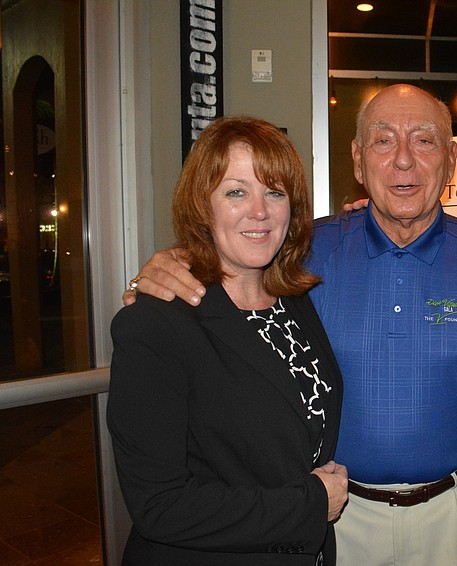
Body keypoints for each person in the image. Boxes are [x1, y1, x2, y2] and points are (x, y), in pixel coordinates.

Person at [122, 85, 457, 565]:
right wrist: (166, 266)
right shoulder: (309, 255)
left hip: (452, 515)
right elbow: (233, 256)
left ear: (452, 159)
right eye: (384, 140)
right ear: (357, 159)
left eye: (425, 140)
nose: (405, 161)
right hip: (337, 521)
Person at [108, 115, 348, 565]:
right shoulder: (155, 325)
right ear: (203, 205)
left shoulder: (295, 300)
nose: (259, 211)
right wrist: (311, 504)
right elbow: (159, 505)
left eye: (274, 192)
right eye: (236, 191)